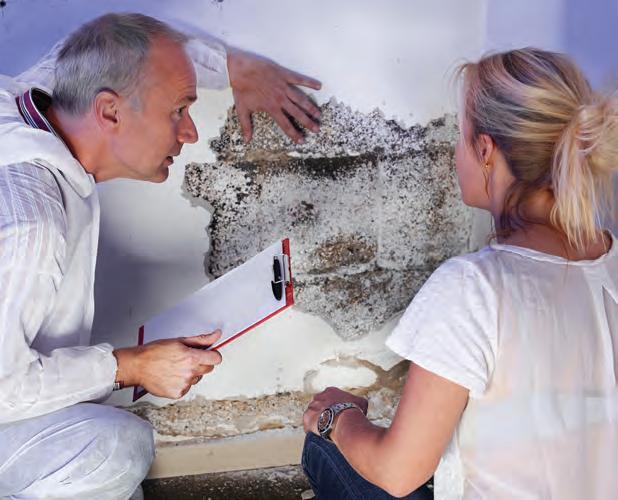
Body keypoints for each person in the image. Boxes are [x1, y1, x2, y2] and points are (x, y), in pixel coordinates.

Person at [0, 12, 321, 498]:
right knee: (116, 448)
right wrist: (129, 366)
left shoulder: (44, 93)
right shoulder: (32, 227)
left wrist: (236, 69)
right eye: (178, 111)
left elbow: (121, 48)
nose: (190, 133)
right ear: (110, 113)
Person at [302, 47, 618, 499]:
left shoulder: (473, 287)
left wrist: (335, 417)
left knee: (323, 447)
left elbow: (398, 472)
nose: (456, 150)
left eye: (460, 134)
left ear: (485, 150)